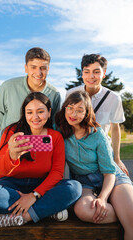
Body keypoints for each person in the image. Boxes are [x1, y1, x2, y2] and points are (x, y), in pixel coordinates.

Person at [0, 92, 82, 229]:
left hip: (42, 187)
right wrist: (11, 156)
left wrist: (34, 195)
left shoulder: (55, 137)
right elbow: (0, 169)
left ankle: (24, 217)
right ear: (24, 114)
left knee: (74, 188)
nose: (35, 117)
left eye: (40, 112)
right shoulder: (11, 132)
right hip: (10, 186)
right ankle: (45, 210)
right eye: (29, 112)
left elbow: (57, 172)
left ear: (49, 112)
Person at [55, 91, 133, 240]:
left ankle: (127, 211)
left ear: (86, 113)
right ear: (64, 108)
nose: (73, 113)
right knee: (83, 210)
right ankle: (124, 210)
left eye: (79, 110)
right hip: (84, 182)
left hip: (112, 178)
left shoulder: (97, 134)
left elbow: (109, 172)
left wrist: (103, 198)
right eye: (70, 108)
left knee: (131, 223)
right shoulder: (60, 130)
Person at [66, 54, 128, 175]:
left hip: (103, 152)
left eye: (96, 72)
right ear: (82, 74)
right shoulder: (71, 93)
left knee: (122, 187)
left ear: (103, 73)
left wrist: (117, 159)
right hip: (78, 154)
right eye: (87, 72)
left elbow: (115, 129)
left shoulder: (114, 98)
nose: (91, 76)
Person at [0, 47, 61, 147]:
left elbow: (54, 123)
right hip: (9, 146)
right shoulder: (8, 87)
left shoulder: (54, 93)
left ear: (48, 69)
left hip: (40, 148)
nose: (38, 73)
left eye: (43, 68)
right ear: (26, 68)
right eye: (33, 67)